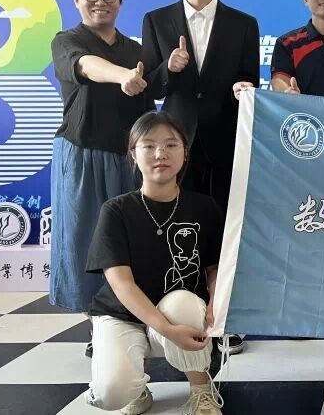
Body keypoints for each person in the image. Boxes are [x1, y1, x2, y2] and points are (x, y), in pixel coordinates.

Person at [142, 0, 259, 354]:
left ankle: (228, 315)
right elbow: (151, 85)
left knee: (228, 229)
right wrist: (169, 68)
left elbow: (250, 80)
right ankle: (182, 313)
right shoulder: (156, 20)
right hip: (175, 147)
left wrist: (244, 88)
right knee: (179, 229)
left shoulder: (243, 23)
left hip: (226, 142)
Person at [84, 111, 224, 415]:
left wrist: (215, 301)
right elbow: (121, 284)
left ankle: (201, 389)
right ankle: (136, 387)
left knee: (185, 303)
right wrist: (164, 328)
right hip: (123, 314)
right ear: (133, 155)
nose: (160, 153)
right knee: (111, 395)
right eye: (148, 146)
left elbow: (214, 267)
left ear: (185, 153)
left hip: (179, 310)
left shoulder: (204, 206)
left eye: (171, 145)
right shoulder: (116, 210)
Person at [50, 0, 153, 313]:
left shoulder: (135, 50)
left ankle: (130, 312)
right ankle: (94, 317)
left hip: (128, 157)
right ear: (76, 0)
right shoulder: (66, 41)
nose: (100, 2)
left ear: (120, 1)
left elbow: (149, 102)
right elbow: (85, 65)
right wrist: (122, 76)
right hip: (82, 152)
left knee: (128, 237)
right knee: (83, 236)